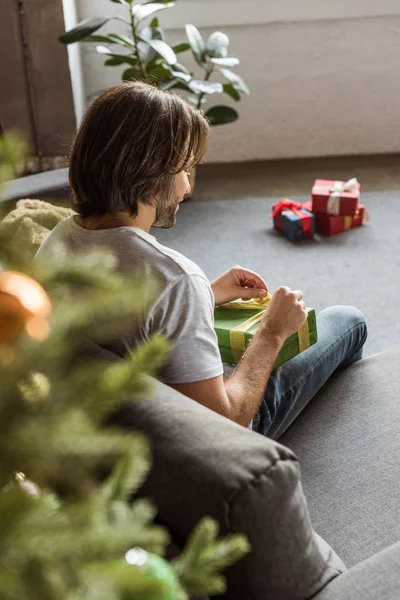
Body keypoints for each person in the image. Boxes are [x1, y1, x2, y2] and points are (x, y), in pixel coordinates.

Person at [36, 82, 367, 439]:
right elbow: (223, 424)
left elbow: (126, 325)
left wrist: (206, 293)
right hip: (194, 445)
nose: (187, 187)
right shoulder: (174, 277)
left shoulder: (57, 241)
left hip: (107, 427)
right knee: (348, 321)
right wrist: (272, 331)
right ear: (149, 176)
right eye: (183, 170)